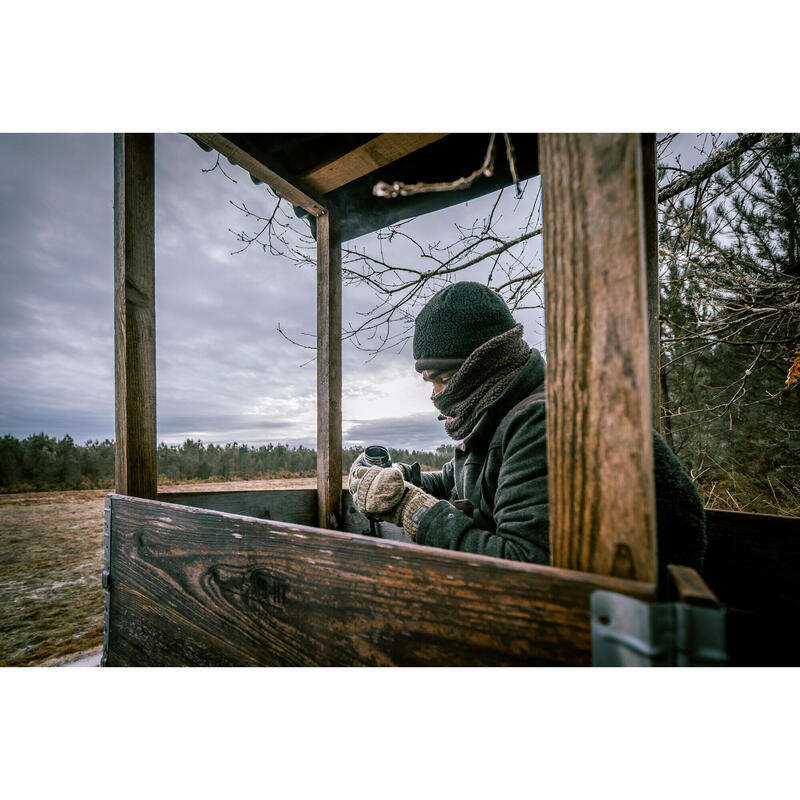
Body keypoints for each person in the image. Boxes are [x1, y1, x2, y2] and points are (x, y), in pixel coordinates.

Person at [348, 281, 706, 579]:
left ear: (480, 367)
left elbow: (527, 569)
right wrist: (395, 479)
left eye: (443, 379)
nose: (436, 396)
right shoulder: (499, 414)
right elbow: (458, 480)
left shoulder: (545, 422)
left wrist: (413, 510)